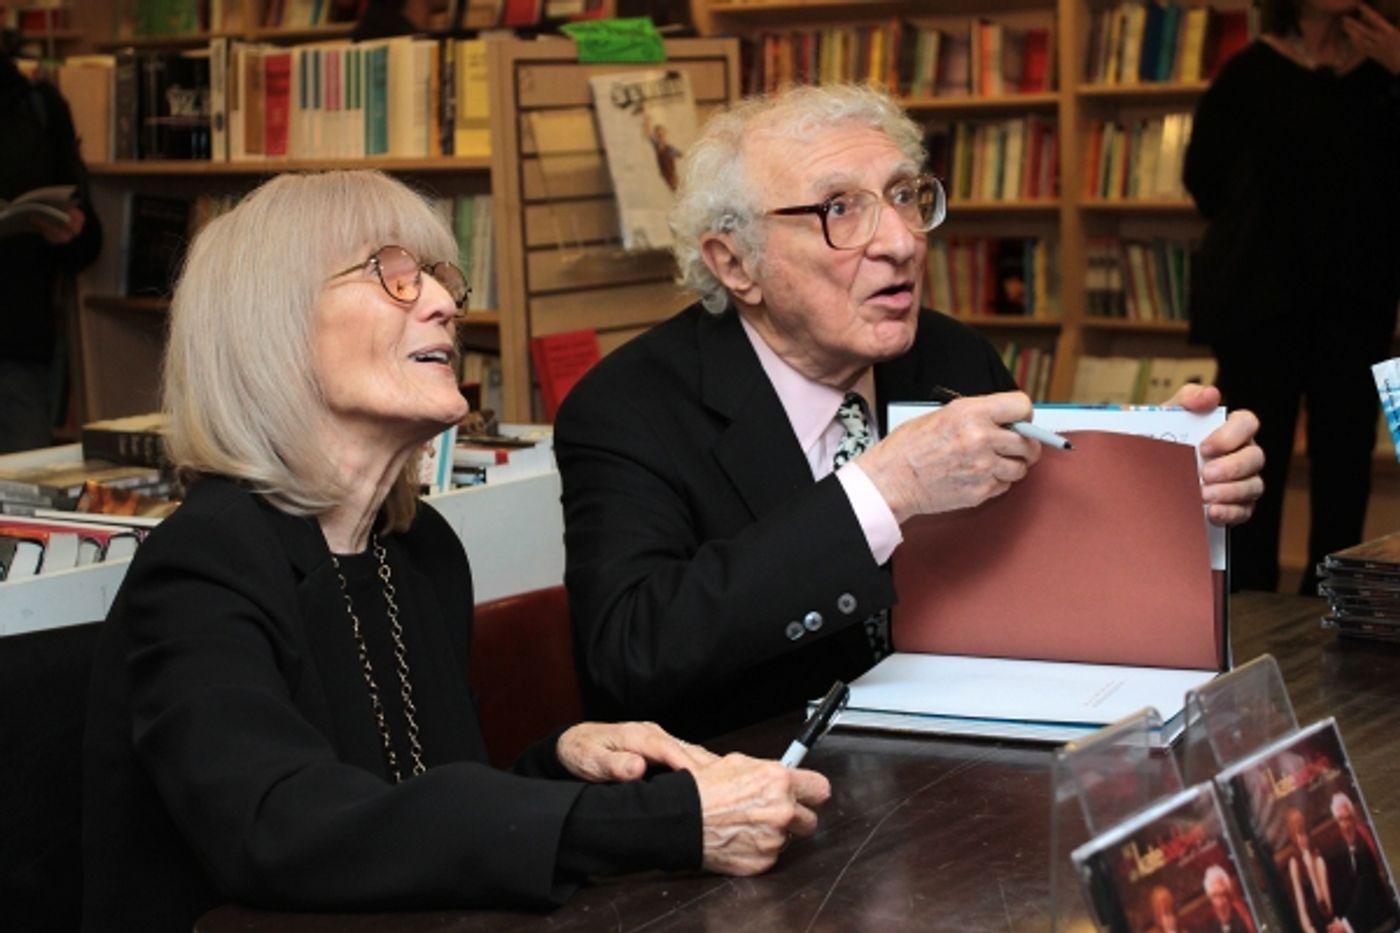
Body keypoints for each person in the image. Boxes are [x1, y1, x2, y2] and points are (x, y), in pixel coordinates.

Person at [80, 170, 830, 933]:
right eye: (393, 275)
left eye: (440, 277)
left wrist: (565, 762)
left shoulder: (419, 550)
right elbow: (281, 826)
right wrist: (661, 820)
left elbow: (410, 816)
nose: (443, 302)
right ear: (271, 328)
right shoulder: (204, 561)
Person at [553, 82, 1265, 741]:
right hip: (757, 782)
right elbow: (631, 651)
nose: (900, 242)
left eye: (903, 196)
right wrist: (882, 491)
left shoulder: (952, 356)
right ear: (736, 263)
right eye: (839, 209)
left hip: (967, 762)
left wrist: (1157, 474)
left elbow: (1039, 565)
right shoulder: (629, 407)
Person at [1183, 0, 1400, 594]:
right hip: (1260, 301)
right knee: (1252, 457)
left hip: (1357, 301)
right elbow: (1204, 180)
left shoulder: (1386, 70)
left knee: (1345, 463)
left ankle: (1334, 604)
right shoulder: (1250, 71)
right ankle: (1249, 603)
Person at [0, 36, 102, 453]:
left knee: (18, 490)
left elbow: (89, 243)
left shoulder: (39, 108)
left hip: (18, 358)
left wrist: (68, 230)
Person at [1324, 792, 1400, 933]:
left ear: (1354, 819)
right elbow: (1338, 892)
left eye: (1348, 818)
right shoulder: (1337, 851)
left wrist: (1345, 924)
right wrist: (1338, 920)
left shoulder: (1363, 842)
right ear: (1336, 823)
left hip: (1380, 921)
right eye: (1341, 820)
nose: (1346, 825)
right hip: (1357, 923)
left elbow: (1365, 887)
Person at [1285, 805, 1333, 933]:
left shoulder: (1319, 862)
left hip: (1327, 925)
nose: (1299, 840)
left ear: (1307, 834)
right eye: (1295, 836)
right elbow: (1301, 908)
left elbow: (1327, 911)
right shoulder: (1294, 863)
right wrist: (1309, 929)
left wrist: (1312, 873)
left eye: (1301, 834)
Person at [1203, 865, 1254, 933]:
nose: (1220, 903)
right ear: (1210, 899)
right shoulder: (1211, 925)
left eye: (1223, 894)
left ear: (1229, 895)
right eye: (1215, 896)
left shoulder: (1243, 917)